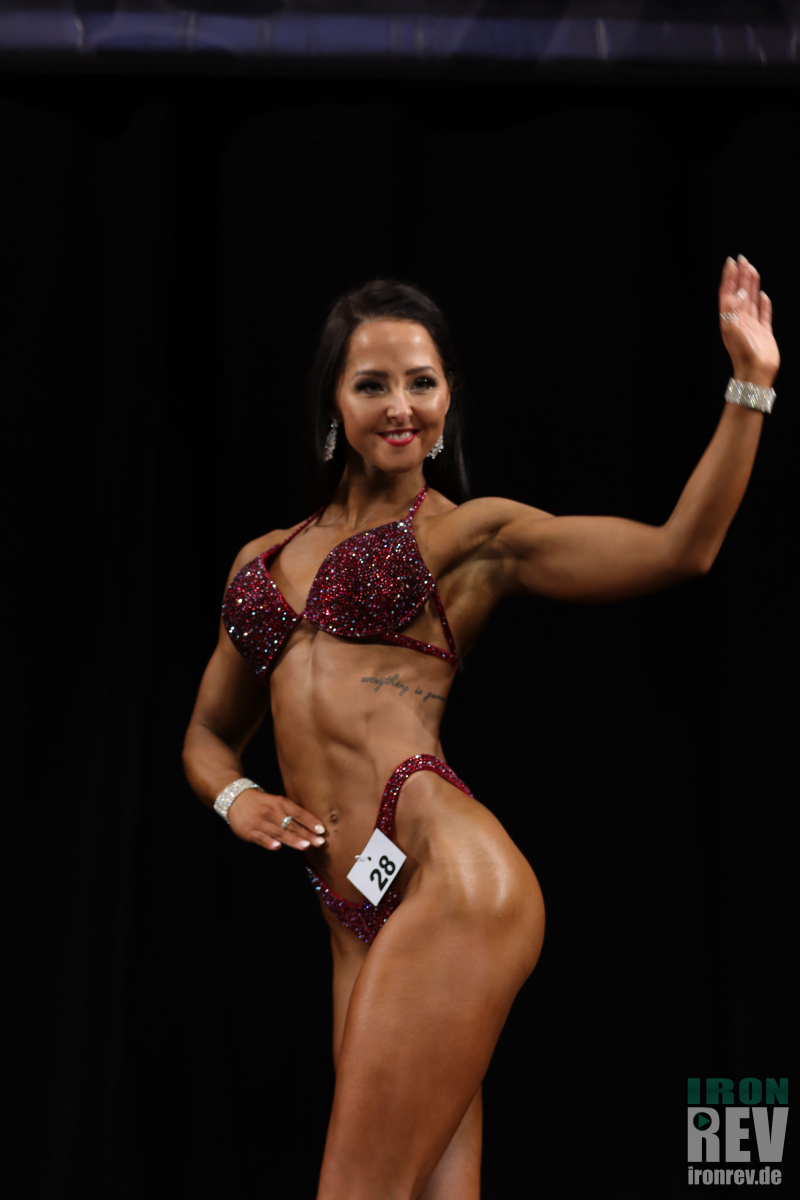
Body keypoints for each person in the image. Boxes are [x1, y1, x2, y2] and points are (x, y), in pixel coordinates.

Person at [183, 255, 778, 1200]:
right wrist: (238, 798)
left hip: (449, 875)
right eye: (372, 384)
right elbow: (207, 739)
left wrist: (751, 384)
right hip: (353, 913)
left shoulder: (467, 536)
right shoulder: (261, 562)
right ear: (332, 398)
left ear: (448, 398)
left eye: (422, 382)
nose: (400, 406)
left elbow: (681, 549)